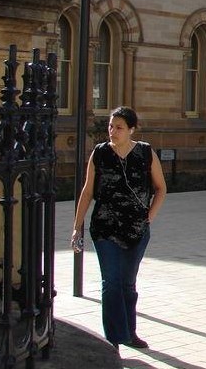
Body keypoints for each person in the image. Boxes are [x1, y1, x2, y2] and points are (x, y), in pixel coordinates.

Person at [71, 106, 167, 350]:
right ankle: (114, 339)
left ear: (131, 130)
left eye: (119, 127)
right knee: (111, 282)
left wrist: (149, 218)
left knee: (127, 283)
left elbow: (160, 188)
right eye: (111, 126)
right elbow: (87, 190)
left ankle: (130, 332)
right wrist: (77, 226)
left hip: (136, 229)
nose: (113, 131)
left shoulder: (145, 153)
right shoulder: (100, 153)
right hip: (105, 227)